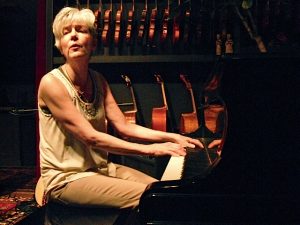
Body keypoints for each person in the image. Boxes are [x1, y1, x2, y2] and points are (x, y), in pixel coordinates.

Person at [36, 6, 204, 209]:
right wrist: (151, 150)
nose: (73, 36)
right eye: (66, 32)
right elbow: (92, 137)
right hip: (66, 179)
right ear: (59, 45)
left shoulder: (98, 80)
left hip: (102, 168)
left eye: (81, 30)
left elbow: (125, 127)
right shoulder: (51, 83)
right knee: (157, 200)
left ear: (94, 42)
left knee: (163, 190)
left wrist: (172, 137)